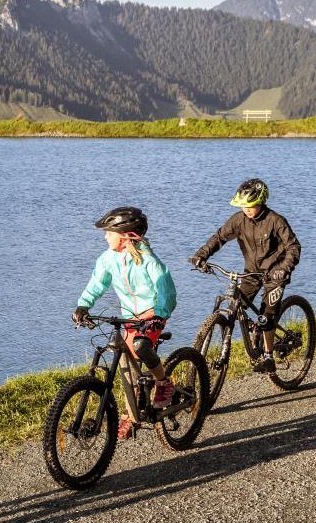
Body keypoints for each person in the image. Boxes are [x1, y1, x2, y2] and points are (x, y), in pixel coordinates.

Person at [73, 206, 177, 436]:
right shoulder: (108, 258)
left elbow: (166, 290)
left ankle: (163, 383)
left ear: (126, 236)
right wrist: (84, 305)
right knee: (125, 366)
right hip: (128, 315)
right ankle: (133, 413)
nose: (105, 236)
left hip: (151, 314)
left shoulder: (148, 260)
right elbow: (97, 283)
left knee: (140, 346)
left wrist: (159, 315)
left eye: (109, 232)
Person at [189, 179, 302, 373]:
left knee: (267, 315)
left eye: (250, 206)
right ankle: (253, 329)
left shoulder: (276, 221)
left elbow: (293, 247)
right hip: (252, 272)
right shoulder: (238, 220)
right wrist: (201, 255)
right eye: (243, 206)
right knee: (237, 305)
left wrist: (284, 268)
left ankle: (268, 356)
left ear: (261, 202)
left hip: (275, 273)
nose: (246, 209)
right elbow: (219, 237)